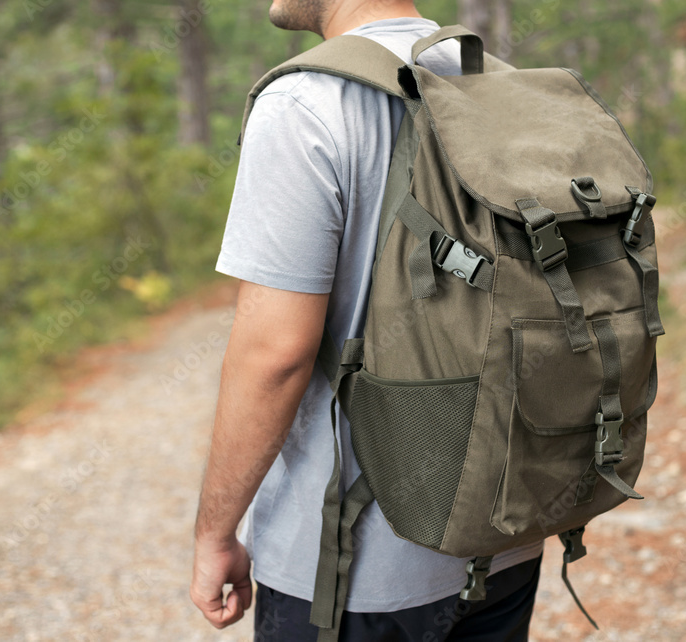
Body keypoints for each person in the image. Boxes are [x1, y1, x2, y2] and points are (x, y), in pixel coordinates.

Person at [190, 2, 544, 640]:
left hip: (354, 575)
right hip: (505, 539)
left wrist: (215, 532)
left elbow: (274, 356)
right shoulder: (497, 81)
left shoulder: (304, 103)